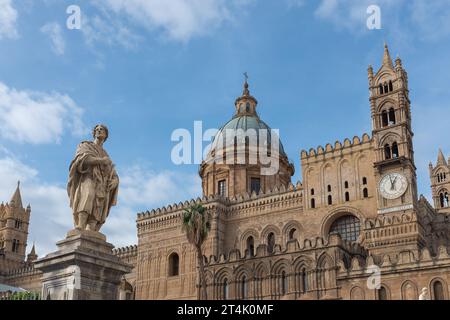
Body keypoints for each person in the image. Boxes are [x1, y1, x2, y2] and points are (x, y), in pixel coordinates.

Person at [67, 124, 119, 232]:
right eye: (97, 129)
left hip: (102, 183)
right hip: (88, 177)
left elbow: (112, 172)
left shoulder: (106, 154)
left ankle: (91, 227)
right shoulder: (85, 145)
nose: (99, 131)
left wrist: (115, 180)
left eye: (102, 130)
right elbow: (82, 159)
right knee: (88, 195)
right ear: (94, 133)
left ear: (106, 135)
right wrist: (100, 161)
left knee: (98, 205)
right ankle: (81, 224)